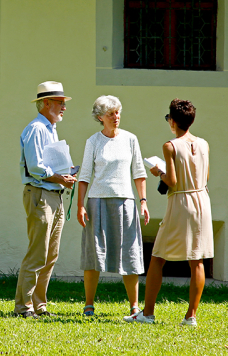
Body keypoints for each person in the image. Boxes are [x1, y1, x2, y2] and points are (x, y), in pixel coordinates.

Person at [124, 99, 213, 327]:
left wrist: (157, 172)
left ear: (173, 121)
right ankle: (191, 316)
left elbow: (172, 181)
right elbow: (206, 177)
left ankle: (148, 313)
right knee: (197, 260)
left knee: (157, 257)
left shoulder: (170, 146)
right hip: (202, 200)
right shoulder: (203, 144)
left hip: (181, 201)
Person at [77, 95, 149, 318]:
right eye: (111, 114)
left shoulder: (130, 139)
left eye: (118, 112)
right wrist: (81, 205)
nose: (116, 117)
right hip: (97, 202)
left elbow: (139, 172)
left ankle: (134, 306)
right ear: (100, 117)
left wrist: (143, 201)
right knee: (93, 255)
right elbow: (85, 176)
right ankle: (89, 305)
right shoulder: (93, 142)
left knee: (130, 253)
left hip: (126, 202)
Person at [14, 81, 77, 318]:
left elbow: (47, 163)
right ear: (46, 103)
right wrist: (61, 178)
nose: (64, 107)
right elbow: (36, 167)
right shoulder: (37, 129)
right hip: (41, 194)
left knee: (51, 255)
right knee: (37, 253)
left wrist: (64, 172)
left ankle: (39, 306)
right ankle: (24, 308)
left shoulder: (50, 128)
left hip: (54, 194)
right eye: (60, 103)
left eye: (63, 103)